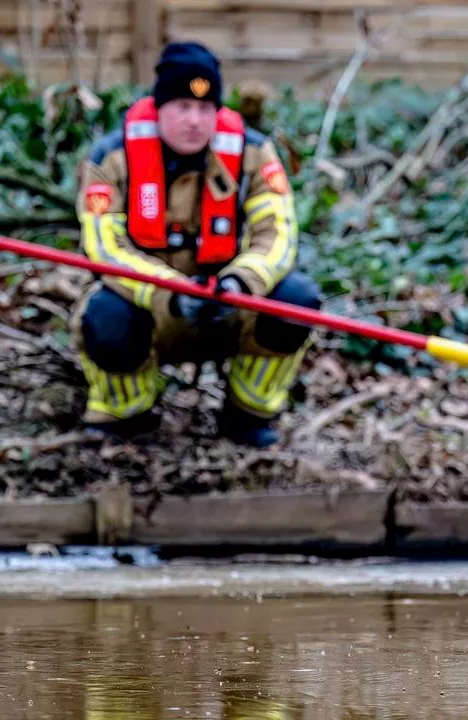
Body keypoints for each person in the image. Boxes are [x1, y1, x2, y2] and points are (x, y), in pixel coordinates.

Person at [70, 41, 320, 448]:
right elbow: (105, 248)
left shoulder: (254, 154)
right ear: (158, 106)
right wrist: (171, 293)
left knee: (297, 299)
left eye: (206, 109)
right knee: (106, 317)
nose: (194, 121)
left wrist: (240, 284)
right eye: (182, 107)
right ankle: (128, 412)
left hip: (231, 304)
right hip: (151, 306)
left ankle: (248, 412)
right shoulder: (110, 158)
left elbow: (278, 234)